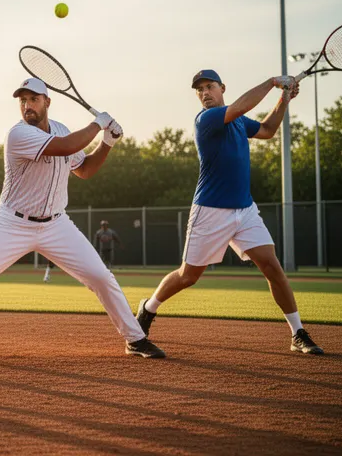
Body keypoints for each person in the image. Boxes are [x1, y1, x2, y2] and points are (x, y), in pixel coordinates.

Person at [0, 77, 165, 359]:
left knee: (101, 276)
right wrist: (97, 124)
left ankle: (135, 339)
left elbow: (85, 170)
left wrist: (107, 143)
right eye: (22, 100)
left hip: (56, 224)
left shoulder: (62, 129)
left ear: (47, 102)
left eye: (33, 99)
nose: (27, 105)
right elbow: (63, 146)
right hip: (12, 223)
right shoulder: (19, 135)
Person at [136, 69, 323, 354]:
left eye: (209, 86)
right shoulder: (207, 119)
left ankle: (297, 333)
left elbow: (268, 130)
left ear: (222, 87)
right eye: (199, 90)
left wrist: (284, 99)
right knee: (188, 276)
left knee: (272, 267)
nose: (204, 93)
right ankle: (148, 310)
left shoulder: (238, 123)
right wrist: (273, 82)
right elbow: (242, 106)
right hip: (210, 210)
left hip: (245, 209)